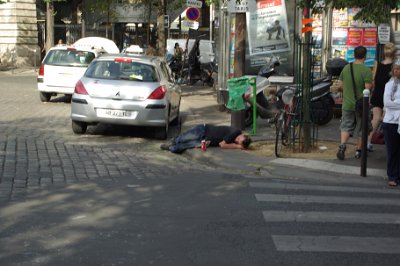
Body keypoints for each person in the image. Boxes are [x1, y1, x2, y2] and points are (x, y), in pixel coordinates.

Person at [336, 46, 373, 160]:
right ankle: (358, 151)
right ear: (365, 56)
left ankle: (342, 146)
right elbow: (367, 89)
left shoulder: (347, 68)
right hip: (361, 105)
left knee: (346, 125)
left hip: (347, 103)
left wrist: (347, 91)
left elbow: (340, 86)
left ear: (354, 55)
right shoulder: (366, 70)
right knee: (362, 128)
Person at [368, 42, 396, 151]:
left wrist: (371, 94)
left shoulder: (378, 65)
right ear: (394, 53)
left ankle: (368, 141)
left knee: (375, 119)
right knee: (390, 120)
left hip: (378, 94)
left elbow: (374, 81)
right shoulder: (395, 67)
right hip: (390, 97)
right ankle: (390, 144)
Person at [160, 124, 252, 154]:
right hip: (203, 130)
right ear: (242, 135)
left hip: (205, 141)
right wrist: (237, 146)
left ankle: (171, 148)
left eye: (239, 142)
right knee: (184, 138)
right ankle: (173, 141)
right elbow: (222, 145)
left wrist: (206, 144)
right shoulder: (236, 132)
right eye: (239, 140)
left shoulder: (235, 139)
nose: (237, 141)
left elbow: (219, 142)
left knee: (188, 145)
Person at [382, 58, 400, 187]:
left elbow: (392, 104)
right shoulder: (389, 85)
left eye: (399, 69)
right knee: (392, 151)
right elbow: (387, 103)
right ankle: (392, 176)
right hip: (391, 122)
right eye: (396, 68)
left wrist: (396, 104)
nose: (397, 71)